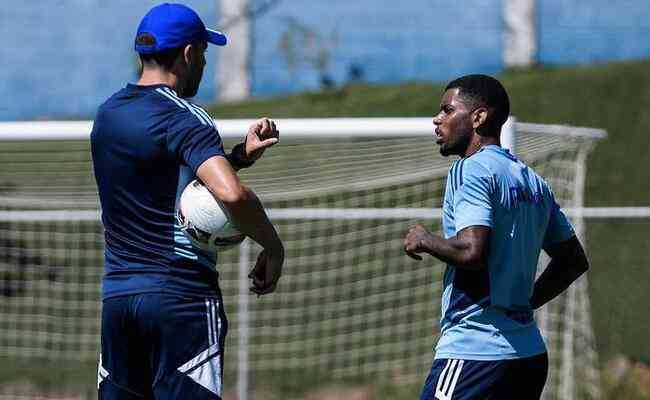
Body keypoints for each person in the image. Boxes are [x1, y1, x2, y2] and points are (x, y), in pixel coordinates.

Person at [91, 3, 284, 399]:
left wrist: (238, 157)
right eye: (205, 55)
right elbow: (231, 194)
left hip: (119, 300)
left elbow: (163, 183)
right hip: (180, 297)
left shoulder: (108, 114)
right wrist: (274, 247)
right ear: (189, 54)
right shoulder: (184, 116)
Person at [403, 74, 589, 400]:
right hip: (528, 355)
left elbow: (472, 251)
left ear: (478, 117)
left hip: (475, 351)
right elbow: (573, 261)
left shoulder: (471, 169)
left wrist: (424, 238)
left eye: (447, 110)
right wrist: (526, 302)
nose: (437, 119)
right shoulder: (532, 181)